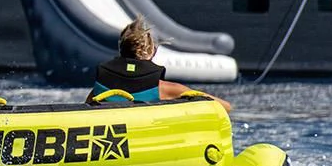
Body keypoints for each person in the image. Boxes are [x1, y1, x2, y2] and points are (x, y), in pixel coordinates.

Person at [87, 16, 232, 110]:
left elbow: (85, 109)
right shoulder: (166, 89)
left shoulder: (100, 89)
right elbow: (225, 107)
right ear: (152, 51)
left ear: (121, 50)